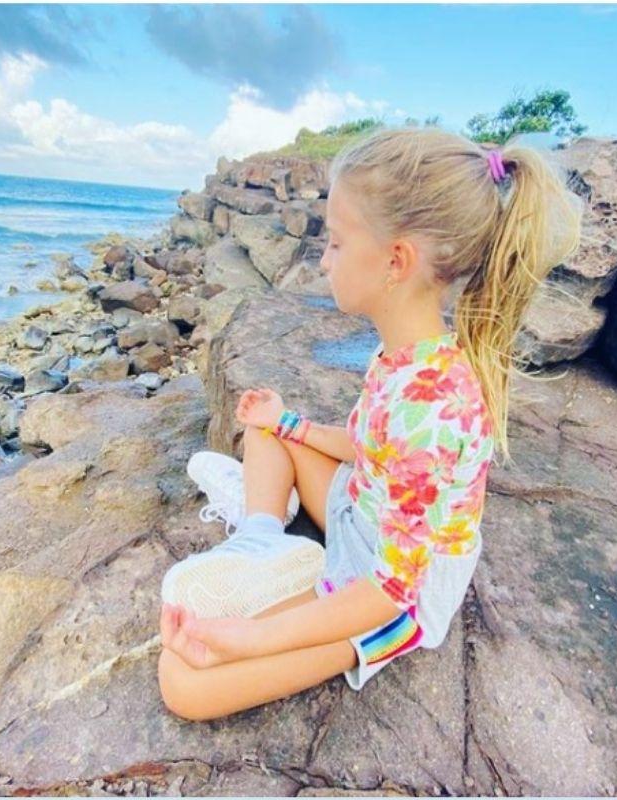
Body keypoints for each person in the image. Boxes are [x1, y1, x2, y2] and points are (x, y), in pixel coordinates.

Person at [156, 128, 581, 721]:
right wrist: (289, 423)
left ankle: (289, 564)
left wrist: (249, 637)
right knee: (265, 429)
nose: (323, 260)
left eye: (335, 242)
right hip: (361, 513)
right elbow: (365, 446)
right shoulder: (404, 355)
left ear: (395, 261)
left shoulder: (434, 413)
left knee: (183, 681)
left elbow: (390, 591)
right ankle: (261, 538)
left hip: (390, 597)